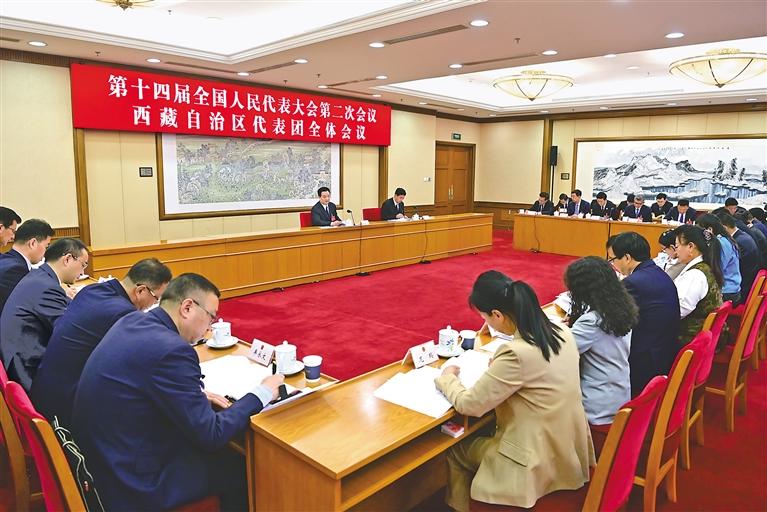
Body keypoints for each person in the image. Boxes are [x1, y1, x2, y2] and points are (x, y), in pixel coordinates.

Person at [72, 273, 284, 511]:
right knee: (242, 465)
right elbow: (211, 434)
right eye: (211, 317)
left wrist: (191, 394)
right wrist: (262, 393)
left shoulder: (132, 321)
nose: (210, 327)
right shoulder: (172, 351)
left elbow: (142, 383)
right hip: (134, 482)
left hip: (104, 459)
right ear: (187, 307)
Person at [435, 270, 593, 510]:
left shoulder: (516, 353)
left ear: (497, 315)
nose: (487, 323)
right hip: (566, 448)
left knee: (456, 450)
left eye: (485, 317)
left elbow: (470, 405)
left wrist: (447, 377)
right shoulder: (561, 331)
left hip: (532, 459)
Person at [31, 258, 173, 427]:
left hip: (46, 390)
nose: (154, 304)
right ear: (141, 290)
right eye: (156, 298)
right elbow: (138, 365)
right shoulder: (122, 314)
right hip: (65, 410)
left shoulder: (93, 290)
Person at [0, 238, 88, 391]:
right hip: (27, 369)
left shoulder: (40, 277)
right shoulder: (47, 287)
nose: (82, 272)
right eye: (83, 265)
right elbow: (69, 334)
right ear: (67, 259)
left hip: (18, 357)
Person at [565, 257, 637, 425]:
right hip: (617, 393)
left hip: (595, 407)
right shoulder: (621, 308)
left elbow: (559, 351)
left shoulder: (592, 321)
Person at [607, 232, 680, 396]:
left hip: (646, 362)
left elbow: (612, 318)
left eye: (612, 259)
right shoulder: (657, 272)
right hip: (664, 351)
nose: (612, 264)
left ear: (627, 258)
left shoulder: (634, 282)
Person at [673, 225, 723, 345]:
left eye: (677, 246)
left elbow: (678, 311)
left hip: (690, 338)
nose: (675, 252)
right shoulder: (705, 266)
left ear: (690, 246)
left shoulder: (695, 275)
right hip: (701, 333)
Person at [0, 219, 53, 315]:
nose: (46, 252)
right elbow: (36, 303)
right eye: (46, 246)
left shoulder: (8, 259)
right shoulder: (15, 270)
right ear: (33, 243)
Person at [696, 214, 742, 306]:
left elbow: (717, 269)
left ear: (709, 229)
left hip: (727, 291)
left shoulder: (721, 243)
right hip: (731, 287)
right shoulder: (724, 239)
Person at [717, 213, 761, 297]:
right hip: (748, 280)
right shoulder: (742, 235)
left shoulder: (737, 242)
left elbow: (728, 268)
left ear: (724, 228)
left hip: (742, 286)